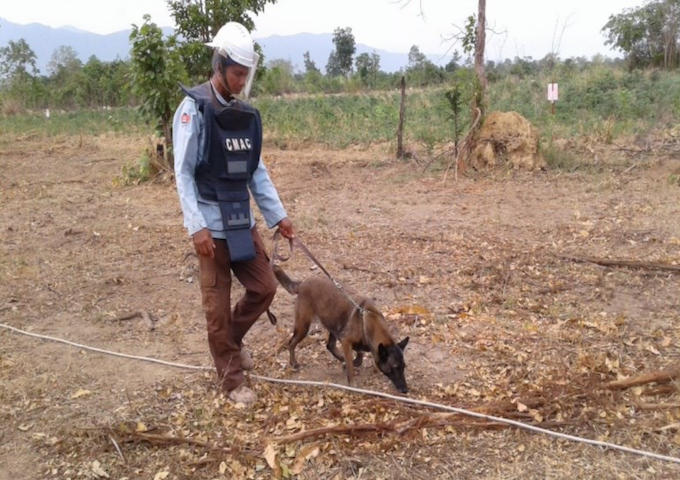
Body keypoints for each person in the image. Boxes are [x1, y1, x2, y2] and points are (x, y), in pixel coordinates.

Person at [173, 22, 295, 405]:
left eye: (246, 74)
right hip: (210, 224)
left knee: (265, 287)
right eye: (237, 72)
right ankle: (232, 380)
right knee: (216, 305)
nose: (242, 81)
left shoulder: (246, 116)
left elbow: (256, 170)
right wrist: (196, 227)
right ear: (220, 64)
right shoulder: (194, 108)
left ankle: (230, 341)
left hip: (241, 222)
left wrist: (279, 216)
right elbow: (183, 172)